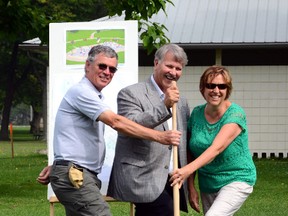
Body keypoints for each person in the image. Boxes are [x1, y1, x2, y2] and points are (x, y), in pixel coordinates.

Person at [37, 45, 182, 216]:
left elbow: (73, 136)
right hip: (74, 176)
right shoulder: (81, 92)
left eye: (112, 69)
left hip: (77, 174)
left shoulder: (93, 95)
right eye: (102, 66)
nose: (107, 72)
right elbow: (116, 122)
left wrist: (60, 164)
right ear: (87, 65)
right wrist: (160, 136)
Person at [107, 43, 190, 216]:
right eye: (169, 66)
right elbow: (129, 125)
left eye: (178, 68)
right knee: (163, 210)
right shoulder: (130, 93)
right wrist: (164, 105)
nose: (173, 72)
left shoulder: (181, 102)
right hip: (142, 176)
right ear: (156, 63)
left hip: (171, 179)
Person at [170, 65, 257, 216]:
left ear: (227, 90)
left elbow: (215, 149)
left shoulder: (235, 114)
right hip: (208, 182)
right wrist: (191, 187)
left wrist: (185, 171)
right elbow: (191, 151)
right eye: (210, 85)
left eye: (221, 86)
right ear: (202, 88)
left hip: (236, 178)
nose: (216, 91)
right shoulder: (197, 114)